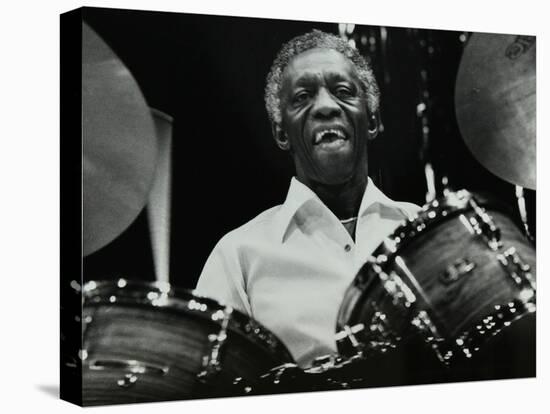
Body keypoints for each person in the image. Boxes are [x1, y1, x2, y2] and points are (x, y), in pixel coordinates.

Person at [195, 29, 420, 368]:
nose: (326, 106)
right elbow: (205, 381)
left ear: (372, 120)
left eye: (343, 91)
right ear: (281, 133)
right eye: (302, 97)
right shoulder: (237, 255)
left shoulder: (421, 230)